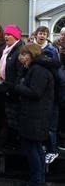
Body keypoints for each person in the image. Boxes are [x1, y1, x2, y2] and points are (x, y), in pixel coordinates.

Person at [12, 44, 54, 186]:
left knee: (33, 149)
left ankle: (37, 181)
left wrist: (16, 87)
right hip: (35, 115)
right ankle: (38, 180)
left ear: (32, 54)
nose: (21, 58)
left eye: (24, 55)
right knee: (35, 148)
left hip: (35, 116)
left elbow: (35, 92)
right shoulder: (34, 68)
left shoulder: (38, 70)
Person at [33, 26, 60, 164]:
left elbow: (55, 69)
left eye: (45, 33)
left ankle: (52, 150)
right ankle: (43, 146)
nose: (42, 35)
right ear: (36, 34)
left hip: (50, 91)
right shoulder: (32, 47)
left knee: (51, 125)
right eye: (40, 33)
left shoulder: (51, 50)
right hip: (38, 90)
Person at [0, 24, 24, 148]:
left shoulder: (19, 50)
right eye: (6, 34)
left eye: (9, 34)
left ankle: (14, 144)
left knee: (13, 120)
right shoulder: (8, 49)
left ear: (16, 37)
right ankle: (8, 142)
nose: (6, 36)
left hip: (12, 91)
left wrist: (11, 88)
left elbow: (19, 73)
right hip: (4, 87)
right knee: (6, 119)